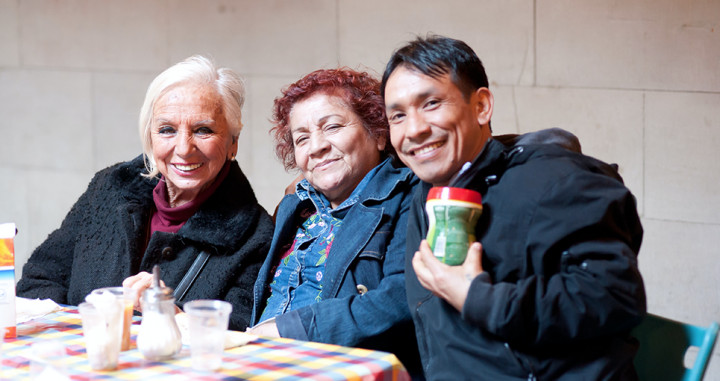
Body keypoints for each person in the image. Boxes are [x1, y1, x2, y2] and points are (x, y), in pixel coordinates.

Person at [381, 35, 646, 380]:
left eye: (431, 103)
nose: (413, 130)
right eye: (397, 116)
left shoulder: (558, 182)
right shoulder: (427, 192)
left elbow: (615, 296)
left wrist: (477, 298)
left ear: (481, 106)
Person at [17, 56, 273, 331]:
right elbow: (38, 282)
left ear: (233, 142)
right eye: (167, 130)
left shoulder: (255, 235)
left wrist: (172, 315)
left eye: (203, 130)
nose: (184, 148)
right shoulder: (109, 190)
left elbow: (241, 332)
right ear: (149, 137)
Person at [247, 68, 422, 376]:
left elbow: (402, 298)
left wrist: (293, 329)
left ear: (378, 133)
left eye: (332, 127)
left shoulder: (409, 196)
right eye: (302, 138)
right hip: (257, 364)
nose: (316, 147)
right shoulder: (294, 208)